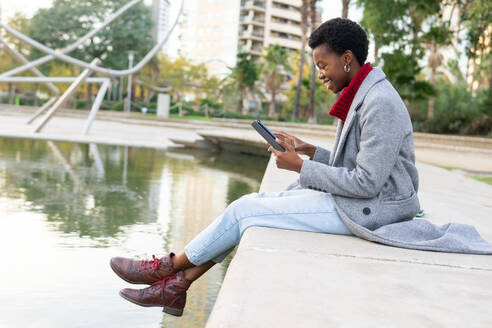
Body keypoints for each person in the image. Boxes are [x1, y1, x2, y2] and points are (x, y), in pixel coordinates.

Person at [110, 17, 491, 317]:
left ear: (346, 59)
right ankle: (178, 284)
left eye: (323, 65)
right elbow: (357, 166)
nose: (320, 73)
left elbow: (367, 183)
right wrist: (311, 152)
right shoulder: (360, 93)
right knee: (258, 207)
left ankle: (167, 270)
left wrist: (299, 168)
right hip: (365, 200)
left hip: (373, 211)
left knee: (245, 208)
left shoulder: (380, 104)